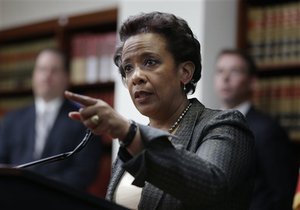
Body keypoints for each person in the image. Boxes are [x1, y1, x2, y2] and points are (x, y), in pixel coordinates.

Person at [64, 12, 255, 210]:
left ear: (185, 72)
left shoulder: (223, 125)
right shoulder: (132, 143)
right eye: (128, 68)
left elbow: (210, 187)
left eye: (150, 62)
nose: (136, 77)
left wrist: (129, 133)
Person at [0, 48, 102, 191]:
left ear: (66, 77)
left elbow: (84, 171)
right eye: (42, 69)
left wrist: (40, 190)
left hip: (59, 200)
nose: (47, 76)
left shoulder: (83, 120)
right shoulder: (11, 120)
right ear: (34, 75)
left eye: (54, 70)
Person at [214, 49, 299, 210]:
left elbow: (283, 194)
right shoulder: (206, 124)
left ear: (252, 82)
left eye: (235, 71)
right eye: (220, 71)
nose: (225, 78)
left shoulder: (267, 131)